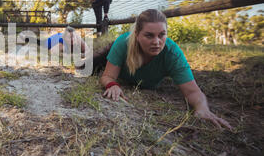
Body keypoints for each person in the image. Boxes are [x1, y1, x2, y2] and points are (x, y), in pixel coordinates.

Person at [98, 9, 232, 130]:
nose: (156, 42)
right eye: (149, 35)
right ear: (137, 35)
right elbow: (108, 76)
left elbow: (193, 92)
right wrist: (112, 85)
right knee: (94, 64)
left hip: (148, 82)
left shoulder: (173, 54)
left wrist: (202, 108)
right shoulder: (123, 43)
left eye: (162, 35)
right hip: (114, 58)